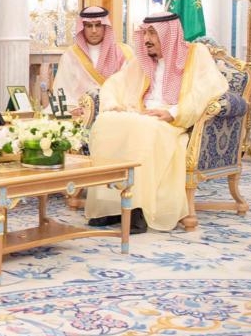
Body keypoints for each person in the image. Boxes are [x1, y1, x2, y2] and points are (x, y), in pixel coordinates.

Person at [85, 12, 227, 233]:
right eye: (145, 33)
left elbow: (208, 89)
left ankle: (137, 210)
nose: (146, 39)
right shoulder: (142, 60)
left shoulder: (195, 54)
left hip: (171, 122)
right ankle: (111, 206)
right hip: (141, 115)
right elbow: (114, 84)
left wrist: (173, 112)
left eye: (153, 33)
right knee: (105, 122)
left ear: (169, 34)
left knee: (144, 129)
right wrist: (113, 104)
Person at [54, 6, 134, 117]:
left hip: (115, 113)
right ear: (82, 28)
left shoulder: (123, 52)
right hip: (81, 114)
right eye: (89, 26)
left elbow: (131, 87)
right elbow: (62, 87)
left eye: (98, 25)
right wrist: (72, 108)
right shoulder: (71, 55)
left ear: (105, 26)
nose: (94, 30)